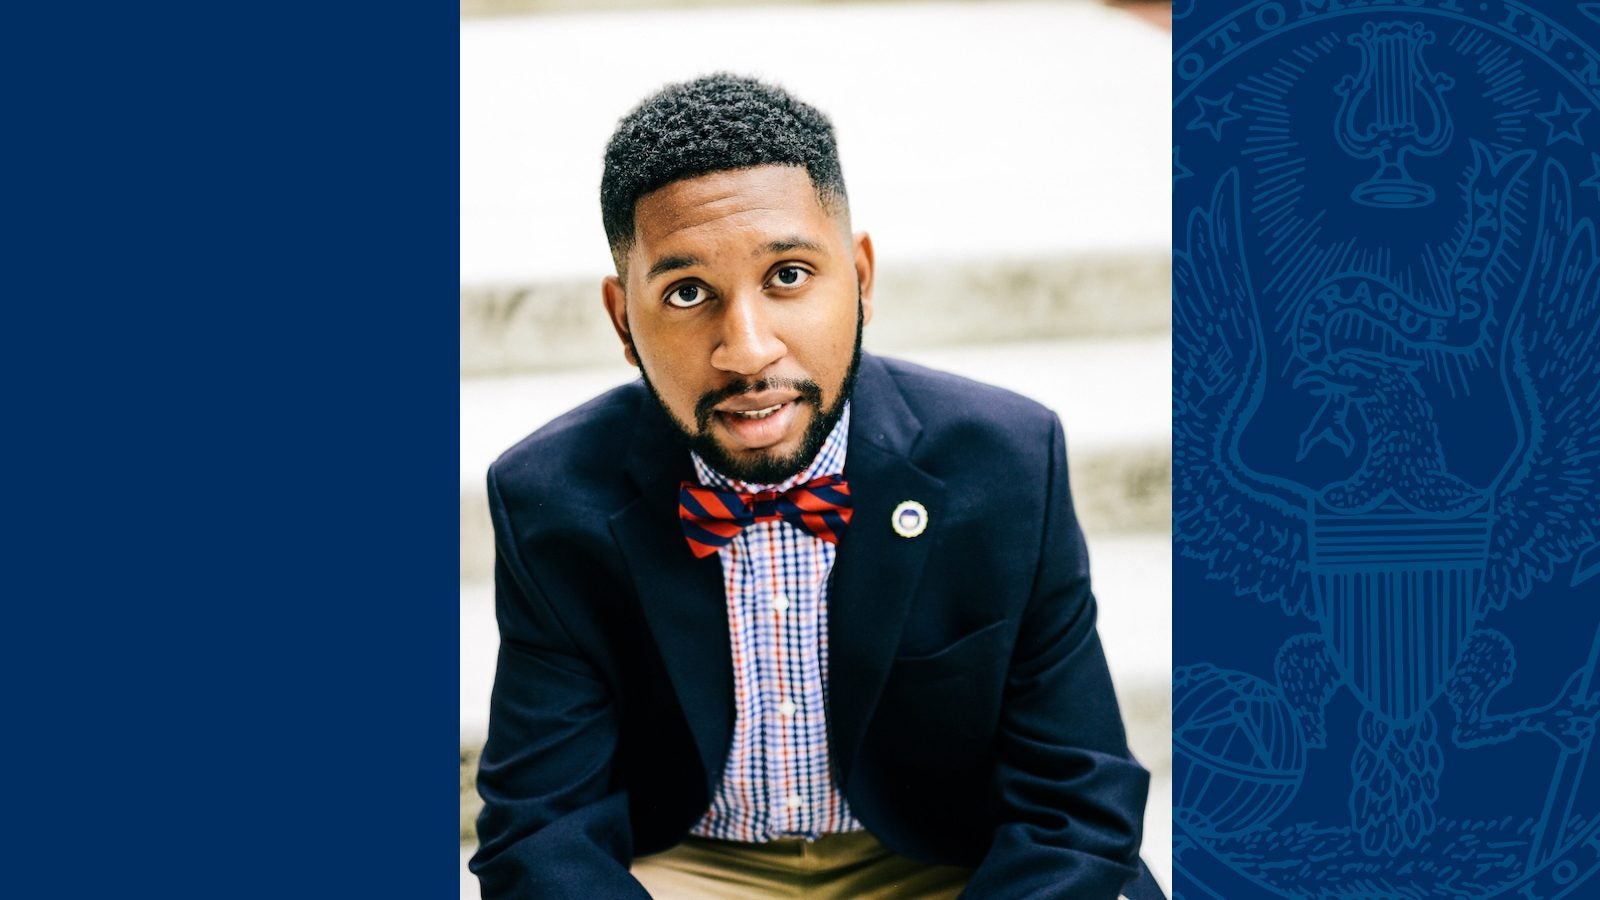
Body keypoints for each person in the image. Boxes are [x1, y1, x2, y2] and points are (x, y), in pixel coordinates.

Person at [469, 73, 1157, 899]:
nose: (748, 349)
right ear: (623, 320)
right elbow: (542, 828)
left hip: (940, 860)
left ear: (861, 277)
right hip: (689, 863)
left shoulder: (1008, 462)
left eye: (789, 275)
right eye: (688, 294)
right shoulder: (551, 499)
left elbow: (1076, 804)